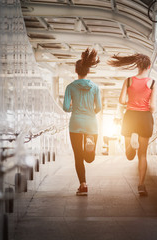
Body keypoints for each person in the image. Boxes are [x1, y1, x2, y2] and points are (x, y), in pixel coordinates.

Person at [108, 53, 157, 196]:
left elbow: (121, 100)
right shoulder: (153, 83)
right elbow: (153, 105)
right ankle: (141, 185)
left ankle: (132, 140)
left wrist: (131, 101)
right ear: (148, 66)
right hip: (145, 117)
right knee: (142, 155)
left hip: (130, 116)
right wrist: (147, 110)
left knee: (129, 155)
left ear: (137, 66)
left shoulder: (128, 81)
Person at [63, 48, 102, 196]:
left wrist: (75, 107)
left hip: (76, 123)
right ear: (88, 71)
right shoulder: (95, 87)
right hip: (91, 124)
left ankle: (83, 185)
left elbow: (66, 107)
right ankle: (90, 148)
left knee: (78, 157)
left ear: (76, 71)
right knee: (89, 159)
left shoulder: (70, 87)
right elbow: (98, 107)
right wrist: (90, 112)